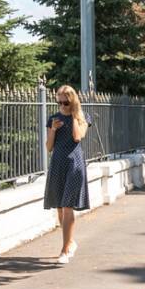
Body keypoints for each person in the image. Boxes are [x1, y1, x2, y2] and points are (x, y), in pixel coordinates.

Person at [43, 85, 91, 264]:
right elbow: (48, 147)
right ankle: (70, 242)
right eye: (59, 101)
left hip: (74, 164)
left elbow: (77, 138)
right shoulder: (53, 118)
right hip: (57, 164)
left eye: (66, 101)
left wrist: (73, 116)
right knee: (60, 207)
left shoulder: (83, 117)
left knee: (68, 205)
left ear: (72, 101)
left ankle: (64, 251)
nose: (62, 104)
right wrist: (53, 129)